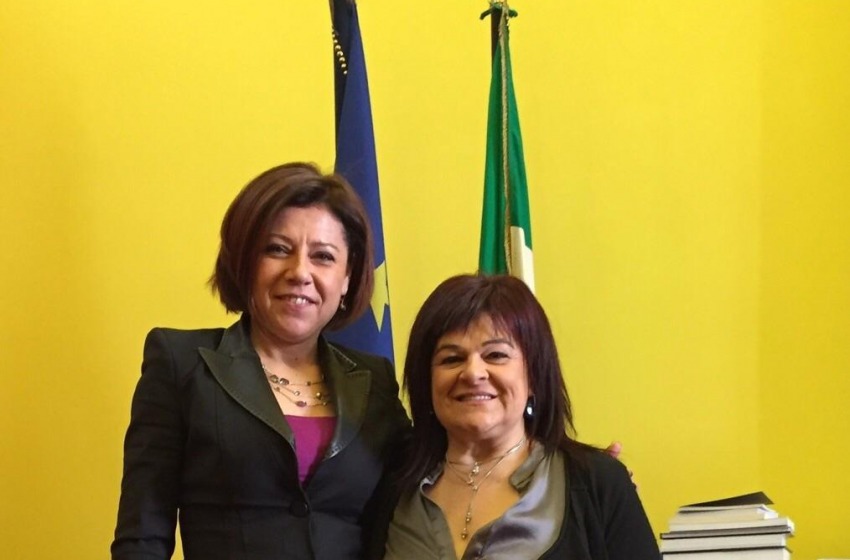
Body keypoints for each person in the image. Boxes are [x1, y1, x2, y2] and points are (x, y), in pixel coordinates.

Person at [112, 162, 410, 560]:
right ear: (245, 262)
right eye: (277, 249)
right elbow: (142, 538)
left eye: (323, 256)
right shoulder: (180, 363)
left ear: (347, 278)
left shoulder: (375, 381)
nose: (300, 272)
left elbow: (421, 492)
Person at [370, 274, 660, 560]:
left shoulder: (597, 483)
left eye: (495, 355)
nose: (473, 373)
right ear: (426, 381)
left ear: (533, 375)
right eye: (452, 359)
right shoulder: (392, 489)